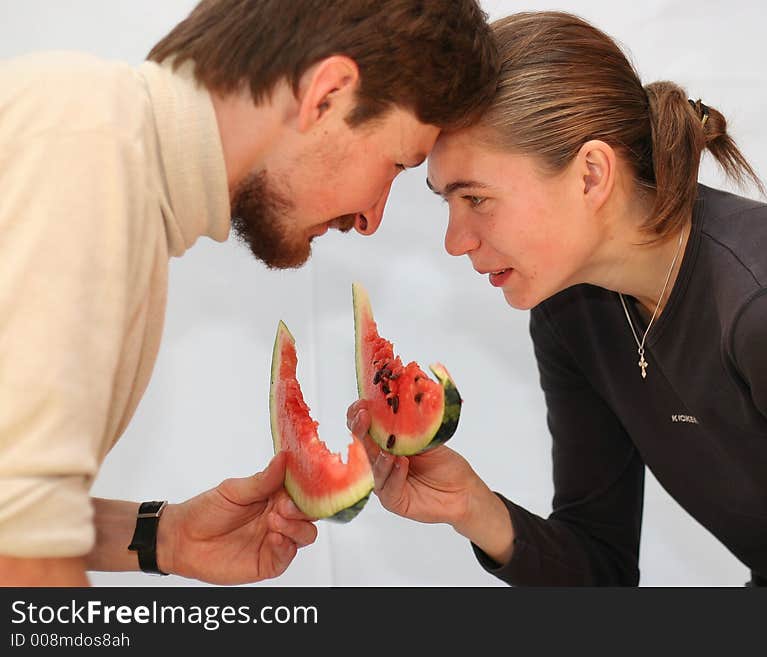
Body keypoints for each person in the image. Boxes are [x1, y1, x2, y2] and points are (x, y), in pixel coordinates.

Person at [348, 10, 767, 586]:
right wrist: (474, 510)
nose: (455, 242)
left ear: (591, 175)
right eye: (444, 202)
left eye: (475, 198)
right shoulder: (570, 312)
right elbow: (602, 566)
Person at [0, 0, 498, 586]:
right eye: (396, 164)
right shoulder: (90, 155)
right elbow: (23, 556)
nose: (371, 218)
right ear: (328, 95)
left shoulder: (103, 149)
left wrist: (168, 536)